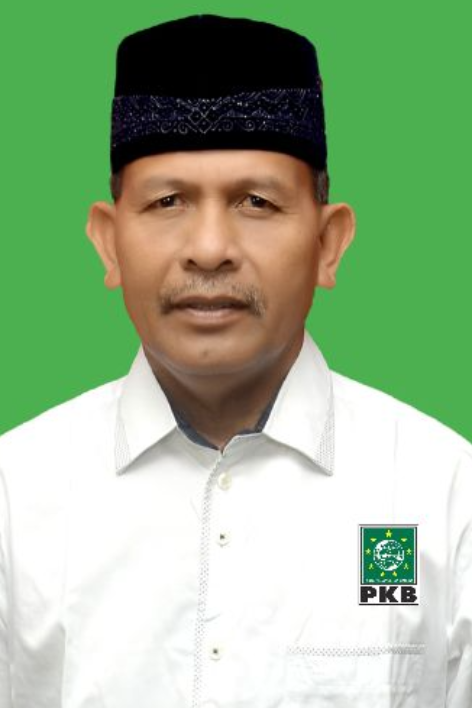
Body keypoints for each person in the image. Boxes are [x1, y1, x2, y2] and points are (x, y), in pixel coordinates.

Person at [0, 14, 470, 708]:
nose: (210, 248)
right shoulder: (15, 498)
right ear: (108, 241)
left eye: (256, 201)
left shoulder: (443, 493)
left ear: (328, 243)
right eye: (168, 201)